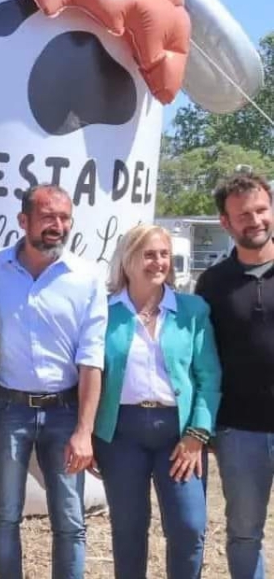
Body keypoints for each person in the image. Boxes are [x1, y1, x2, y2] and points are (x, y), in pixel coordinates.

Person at [0, 184, 107, 579]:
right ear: (24, 221)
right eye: (48, 216)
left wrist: (85, 431)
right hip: (8, 409)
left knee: (70, 521)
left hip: (65, 412)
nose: (58, 225)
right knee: (4, 515)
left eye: (65, 217)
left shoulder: (87, 277)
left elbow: (92, 359)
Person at [93, 224, 220, 579]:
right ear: (128, 260)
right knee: (129, 529)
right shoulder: (104, 313)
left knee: (189, 525)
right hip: (121, 434)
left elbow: (208, 378)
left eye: (164, 254)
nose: (159, 262)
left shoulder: (193, 310)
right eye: (149, 254)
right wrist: (87, 433)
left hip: (179, 434)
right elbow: (89, 377)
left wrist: (198, 434)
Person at [195, 172, 274, 579]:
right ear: (225, 223)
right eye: (243, 214)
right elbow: (201, 360)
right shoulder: (211, 284)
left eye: (261, 209)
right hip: (238, 431)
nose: (255, 220)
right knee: (244, 533)